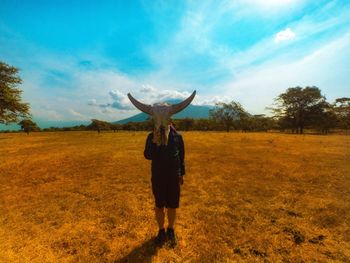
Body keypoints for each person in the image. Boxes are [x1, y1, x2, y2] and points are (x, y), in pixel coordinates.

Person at [144, 123, 185, 247]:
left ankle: (170, 229)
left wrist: (181, 174)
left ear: (169, 118)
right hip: (158, 177)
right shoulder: (151, 136)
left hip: (173, 176)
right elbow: (147, 155)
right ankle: (161, 230)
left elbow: (181, 157)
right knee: (159, 205)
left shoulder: (177, 136)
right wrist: (155, 142)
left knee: (173, 205)